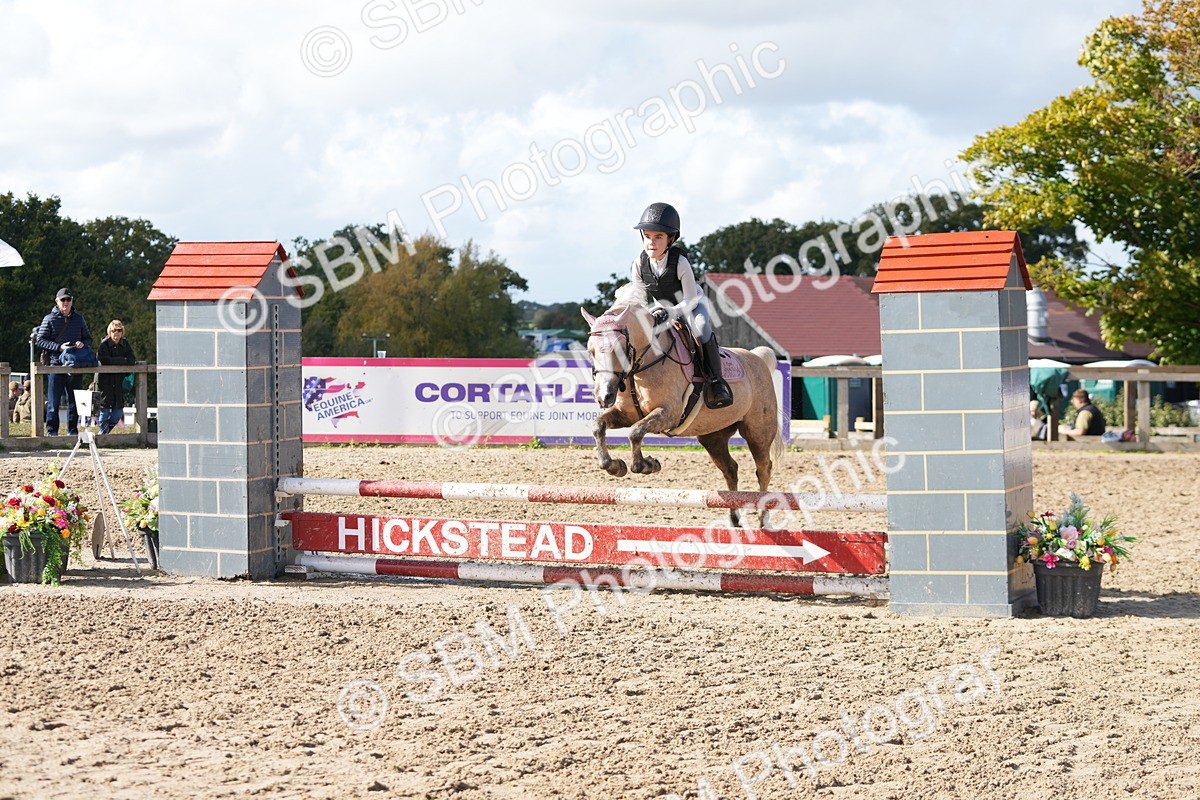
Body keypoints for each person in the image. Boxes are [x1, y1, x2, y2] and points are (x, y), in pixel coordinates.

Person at [627, 202, 734, 409]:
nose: (651, 242)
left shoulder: (680, 263)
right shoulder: (639, 263)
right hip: (661, 308)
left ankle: (716, 382)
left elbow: (691, 299)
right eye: (648, 237)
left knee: (701, 329)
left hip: (692, 305)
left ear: (670, 239)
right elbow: (638, 297)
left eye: (658, 237)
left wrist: (672, 312)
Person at [34, 287, 93, 436]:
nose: (66, 302)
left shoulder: (79, 319)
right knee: (53, 403)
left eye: (68, 299)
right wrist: (59, 347)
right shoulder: (49, 319)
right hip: (56, 364)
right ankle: (52, 433)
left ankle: (72, 432)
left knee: (74, 402)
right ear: (57, 302)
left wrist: (82, 344)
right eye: (63, 300)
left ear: (72, 301)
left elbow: (88, 338)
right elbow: (39, 340)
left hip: (75, 364)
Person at [97, 319, 136, 434]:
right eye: (114, 330)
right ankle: (103, 436)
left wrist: (116, 361)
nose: (117, 333)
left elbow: (131, 360)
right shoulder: (104, 344)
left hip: (118, 383)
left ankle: (104, 435)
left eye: (119, 330)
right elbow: (104, 360)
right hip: (104, 382)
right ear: (110, 331)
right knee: (103, 412)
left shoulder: (125, 344)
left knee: (117, 413)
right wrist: (122, 360)